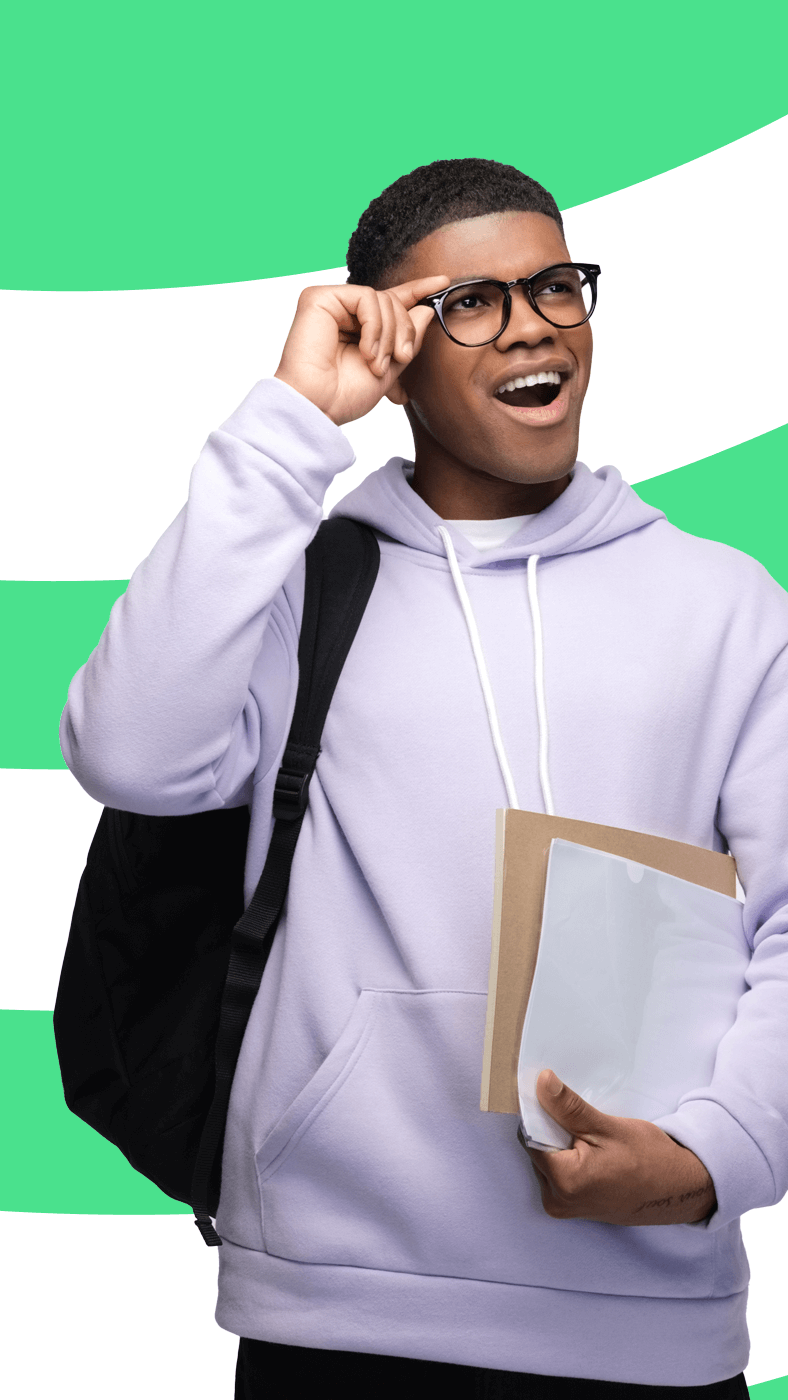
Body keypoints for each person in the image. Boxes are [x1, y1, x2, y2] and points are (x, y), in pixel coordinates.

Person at [60, 157, 788, 1398]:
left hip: (647, 1315)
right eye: (472, 301)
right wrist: (292, 418)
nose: (532, 326)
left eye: (556, 285)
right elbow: (129, 751)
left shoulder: (724, 605)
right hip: (336, 1307)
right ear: (390, 343)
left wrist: (713, 1156)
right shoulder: (296, 589)